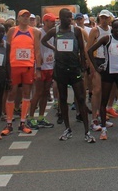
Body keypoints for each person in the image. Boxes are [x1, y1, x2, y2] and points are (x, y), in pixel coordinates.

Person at [42, 8, 95, 143]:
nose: (69, 20)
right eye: (67, 17)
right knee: (63, 98)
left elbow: (82, 50)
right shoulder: (55, 31)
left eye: (70, 17)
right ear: (61, 18)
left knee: (81, 98)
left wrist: (83, 65)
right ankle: (67, 128)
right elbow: (43, 40)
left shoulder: (76, 31)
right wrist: (54, 48)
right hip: (60, 69)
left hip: (74, 69)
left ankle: (87, 131)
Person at [1, 9, 42, 135]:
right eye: (23, 16)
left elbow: (37, 51)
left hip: (28, 66)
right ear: (18, 18)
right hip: (14, 66)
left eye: (28, 17)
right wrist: (5, 67)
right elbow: (7, 49)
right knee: (12, 93)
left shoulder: (34, 31)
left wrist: (38, 68)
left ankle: (23, 122)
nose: (26, 18)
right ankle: (9, 123)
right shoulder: (13, 31)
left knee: (26, 93)